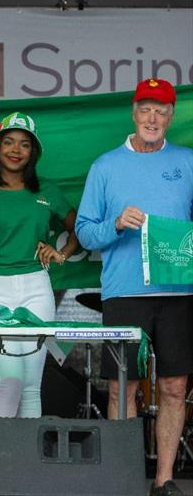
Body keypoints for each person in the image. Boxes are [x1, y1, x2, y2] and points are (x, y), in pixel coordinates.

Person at [75, 78, 193, 496]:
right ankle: (123, 480)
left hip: (178, 294)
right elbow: (85, 234)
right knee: (121, 388)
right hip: (124, 293)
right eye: (146, 109)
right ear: (133, 112)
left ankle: (164, 481)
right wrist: (115, 223)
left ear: (171, 116)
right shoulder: (106, 166)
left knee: (175, 386)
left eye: (161, 110)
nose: (153, 118)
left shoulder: (188, 161)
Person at [0, 112, 79, 418]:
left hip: (36, 289)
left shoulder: (46, 190)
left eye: (24, 144)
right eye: (9, 142)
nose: (16, 150)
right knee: (10, 381)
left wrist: (62, 253)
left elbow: (79, 229)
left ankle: (27, 463)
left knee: (31, 385)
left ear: (33, 152)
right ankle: (2, 458)